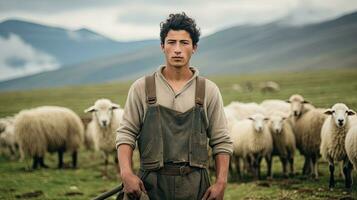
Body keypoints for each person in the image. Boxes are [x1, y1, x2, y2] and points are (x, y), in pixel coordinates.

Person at [116, 12, 233, 200]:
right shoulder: (142, 88)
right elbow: (126, 134)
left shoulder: (208, 90)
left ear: (194, 47)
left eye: (184, 43)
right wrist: (126, 174)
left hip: (196, 188)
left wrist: (221, 183)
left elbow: (221, 141)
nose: (177, 49)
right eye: (171, 42)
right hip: (149, 187)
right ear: (162, 46)